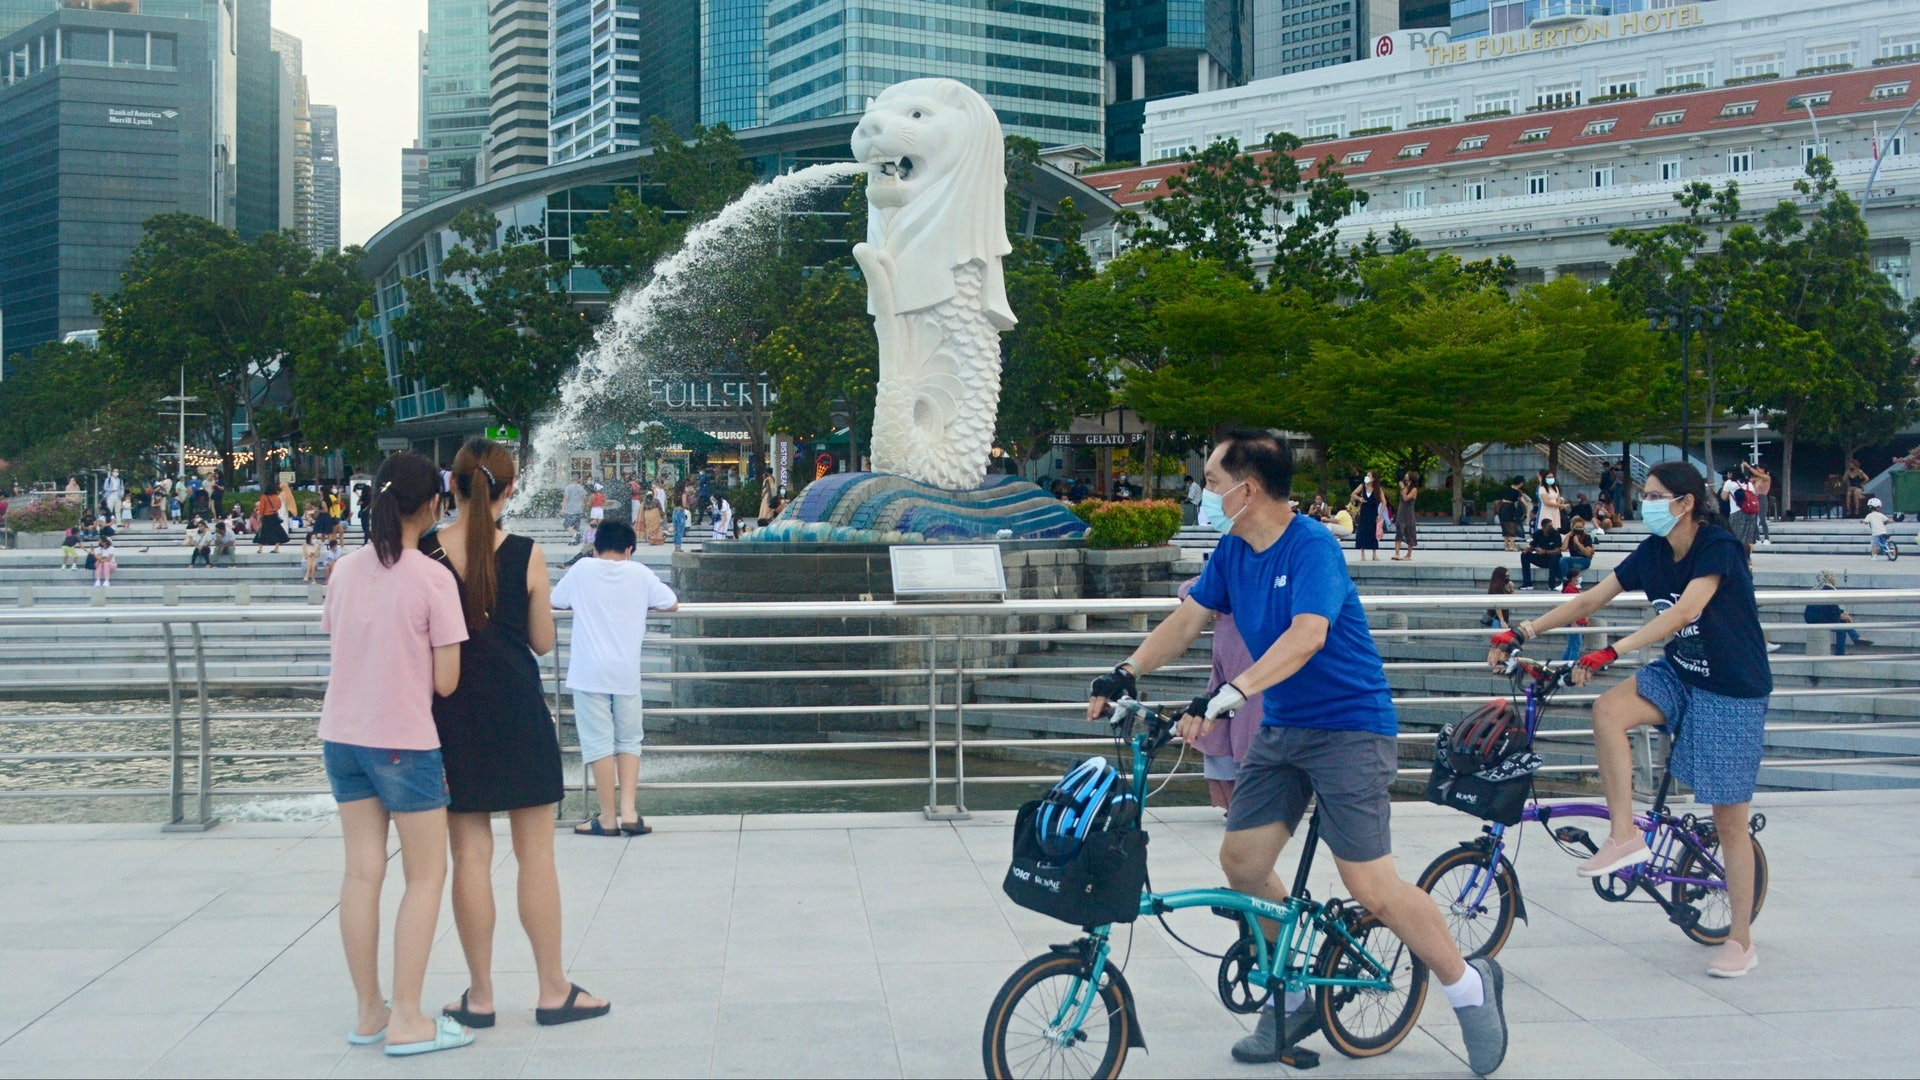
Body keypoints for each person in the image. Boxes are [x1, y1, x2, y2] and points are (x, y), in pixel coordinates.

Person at [1090, 430, 1507, 1073]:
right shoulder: (1232, 550)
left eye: (1210, 479)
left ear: (1246, 488)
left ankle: (1468, 985)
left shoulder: (1313, 546)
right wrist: (1128, 669)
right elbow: (1188, 618)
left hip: (1350, 728)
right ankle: (1292, 996)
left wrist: (1230, 693)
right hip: (1284, 727)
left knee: (1370, 883)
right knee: (1244, 863)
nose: (1203, 490)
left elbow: (1307, 636)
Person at [1492, 460, 1769, 978]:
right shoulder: (1654, 551)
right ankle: (1624, 835)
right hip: (1682, 671)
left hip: (1732, 688)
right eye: (1647, 494)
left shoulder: (1717, 546)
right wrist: (1524, 631)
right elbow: (1593, 597)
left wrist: (1611, 651)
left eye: (1657, 495)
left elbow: (1684, 613)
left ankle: (1741, 940)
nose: (1647, 504)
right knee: (1608, 710)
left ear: (1685, 503)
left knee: (1728, 819)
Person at [422, 439, 611, 1033]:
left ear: (451, 488)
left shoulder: (425, 553)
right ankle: (553, 989)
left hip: (450, 718)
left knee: (470, 856)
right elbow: (542, 641)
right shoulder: (526, 554)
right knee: (536, 857)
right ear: (509, 489)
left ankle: (480, 998)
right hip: (519, 715)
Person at [319, 451, 472, 1056]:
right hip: (405, 743)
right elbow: (446, 682)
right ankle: (409, 1017)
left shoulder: (344, 570)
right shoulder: (433, 577)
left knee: (360, 872)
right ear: (433, 505)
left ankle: (370, 1013)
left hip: (341, 738)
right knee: (426, 875)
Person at [550, 520, 680, 837]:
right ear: (630, 550)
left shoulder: (582, 570)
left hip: (589, 671)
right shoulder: (639, 574)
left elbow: (556, 600)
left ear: (595, 549)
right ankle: (629, 812)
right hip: (625, 671)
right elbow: (671, 603)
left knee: (598, 744)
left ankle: (606, 817)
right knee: (630, 740)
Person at [1176, 577, 1263, 812]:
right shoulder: (1228, 572)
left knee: (1251, 726)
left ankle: (1252, 805)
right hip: (1230, 658)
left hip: (1256, 660)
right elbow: (1189, 589)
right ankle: (1238, 806)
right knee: (1224, 727)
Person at [1805, 570, 1867, 654]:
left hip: (1810, 617)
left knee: (1843, 624)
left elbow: (1830, 608)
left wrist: (1842, 614)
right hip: (1818, 618)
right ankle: (1844, 648)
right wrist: (1843, 616)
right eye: (1833, 577)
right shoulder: (1828, 588)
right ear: (1828, 578)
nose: (1835, 579)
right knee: (1842, 627)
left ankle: (1854, 638)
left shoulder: (1817, 587)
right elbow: (1833, 609)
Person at [1519, 516, 1565, 590]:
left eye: (1551, 525)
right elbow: (1532, 546)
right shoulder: (1538, 534)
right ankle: (1527, 583)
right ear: (1543, 527)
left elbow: (1558, 550)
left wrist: (1545, 552)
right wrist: (1528, 549)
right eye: (1549, 526)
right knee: (1524, 555)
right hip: (1541, 558)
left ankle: (1551, 585)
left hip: (1553, 559)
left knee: (1555, 556)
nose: (1551, 527)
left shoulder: (1556, 534)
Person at [1722, 468, 1759, 559]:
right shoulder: (1749, 483)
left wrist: (1725, 488)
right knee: (1748, 539)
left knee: (1734, 536)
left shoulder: (1729, 483)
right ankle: (1747, 560)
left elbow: (1724, 497)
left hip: (1737, 512)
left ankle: (1736, 558)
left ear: (1731, 474)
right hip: (1751, 513)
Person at [1351, 472, 1385, 561]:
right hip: (1364, 511)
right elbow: (1353, 494)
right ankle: (1362, 553)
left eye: (1369, 475)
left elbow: (1384, 502)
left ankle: (1374, 553)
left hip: (1373, 512)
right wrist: (1359, 498)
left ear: (1373, 478)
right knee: (1362, 531)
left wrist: (1380, 514)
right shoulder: (1362, 486)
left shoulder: (1378, 489)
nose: (1367, 477)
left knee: (1373, 532)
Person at [1558, 567, 1589, 661]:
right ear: (1573, 578)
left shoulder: (1571, 589)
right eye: (1579, 576)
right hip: (1574, 622)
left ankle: (1563, 666)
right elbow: (1571, 608)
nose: (1580, 578)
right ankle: (1570, 668)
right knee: (1575, 647)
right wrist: (1573, 622)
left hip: (1575, 621)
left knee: (1571, 646)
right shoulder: (1570, 590)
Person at [1392, 471, 1420, 561]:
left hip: (1409, 512)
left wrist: (1403, 488)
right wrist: (1403, 488)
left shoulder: (1414, 489)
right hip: (1401, 511)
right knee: (1399, 530)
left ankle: (1409, 554)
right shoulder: (1405, 487)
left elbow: (1406, 498)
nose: (1405, 477)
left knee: (1410, 531)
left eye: (1407, 476)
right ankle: (1397, 553)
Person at [1560, 516, 1595, 584]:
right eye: (1576, 527)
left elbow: (1588, 553)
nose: (1578, 529)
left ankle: (1566, 582)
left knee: (1564, 560)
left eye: (1580, 527)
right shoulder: (1571, 536)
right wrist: (1568, 536)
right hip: (1573, 559)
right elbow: (1563, 548)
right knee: (1562, 562)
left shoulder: (1587, 537)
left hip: (1584, 560)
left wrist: (1577, 543)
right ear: (1573, 527)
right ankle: (1575, 581)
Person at [255, 487, 289, 552]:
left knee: (263, 532)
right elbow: (279, 506)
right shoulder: (276, 497)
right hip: (274, 516)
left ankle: (260, 548)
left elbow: (261, 508)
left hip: (266, 516)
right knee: (277, 532)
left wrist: (260, 516)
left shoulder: (264, 497)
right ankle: (277, 548)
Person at [1748, 463, 1773, 543]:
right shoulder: (1757, 479)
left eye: (1760, 469)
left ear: (1763, 470)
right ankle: (1757, 538)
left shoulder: (1766, 478)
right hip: (1755, 498)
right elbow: (1749, 481)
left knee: (1762, 519)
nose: (1758, 470)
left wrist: (1748, 466)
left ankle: (1766, 538)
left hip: (1762, 498)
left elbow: (1756, 473)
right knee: (1754, 519)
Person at [1496, 482, 1523, 552]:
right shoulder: (1518, 492)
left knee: (1504, 526)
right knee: (1511, 526)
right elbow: (1523, 501)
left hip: (1502, 508)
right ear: (1521, 483)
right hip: (1510, 508)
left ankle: (1506, 545)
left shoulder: (1507, 489)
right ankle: (1512, 545)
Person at [671, 484, 690, 551]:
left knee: (676, 531)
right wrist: (688, 505)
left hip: (675, 512)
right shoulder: (684, 494)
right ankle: (679, 547)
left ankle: (676, 547)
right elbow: (684, 504)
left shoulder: (675, 495)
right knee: (680, 531)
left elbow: (672, 504)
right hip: (680, 512)